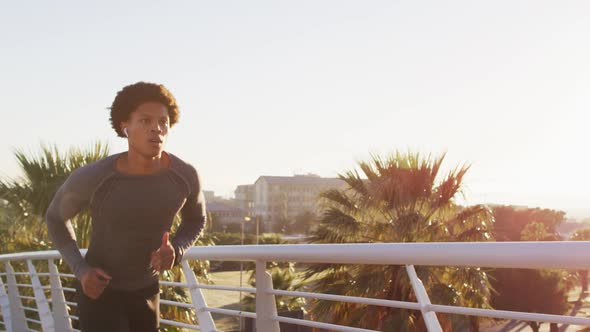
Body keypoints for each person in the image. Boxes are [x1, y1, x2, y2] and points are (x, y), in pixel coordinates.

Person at [46, 81, 206, 332]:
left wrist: (177, 249)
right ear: (125, 127)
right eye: (145, 121)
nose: (156, 128)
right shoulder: (94, 176)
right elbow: (55, 217)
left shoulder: (185, 176)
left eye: (163, 122)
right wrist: (81, 269)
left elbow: (196, 220)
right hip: (99, 291)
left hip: (147, 291)